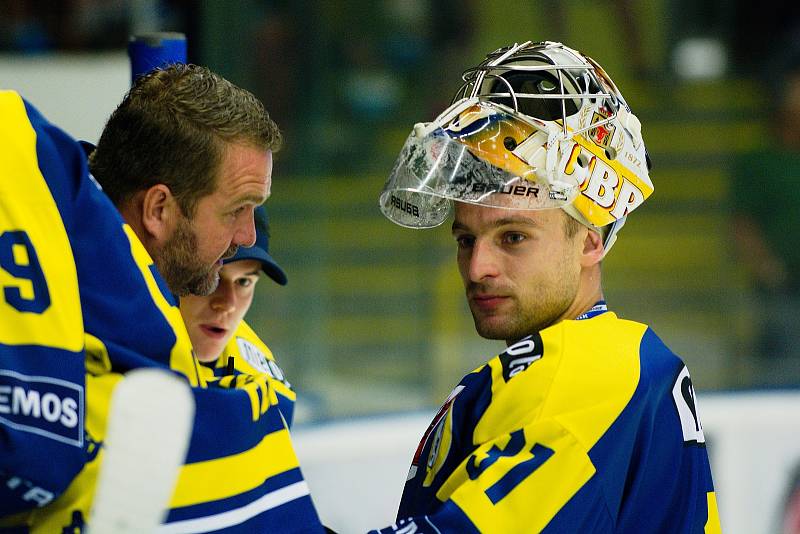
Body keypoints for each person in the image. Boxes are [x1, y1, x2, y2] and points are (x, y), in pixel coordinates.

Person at [372, 41, 721, 532]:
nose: (477, 269)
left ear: (590, 242)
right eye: (466, 239)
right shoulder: (611, 358)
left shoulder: (579, 373)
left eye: (513, 237)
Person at [0, 65, 325, 532]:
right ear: (158, 209)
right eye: (238, 210)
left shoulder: (221, 341)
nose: (248, 235)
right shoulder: (69, 310)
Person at [180, 205, 296, 426]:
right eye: (211, 277)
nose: (228, 304)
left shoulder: (267, 390)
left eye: (244, 282)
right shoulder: (112, 351)